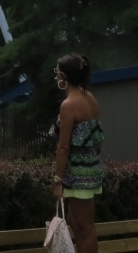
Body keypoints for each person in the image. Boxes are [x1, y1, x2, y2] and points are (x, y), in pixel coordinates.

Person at [51, 53, 103, 253]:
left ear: (63, 76)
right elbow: (96, 138)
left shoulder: (68, 105)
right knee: (75, 222)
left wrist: (58, 180)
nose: (55, 76)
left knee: (85, 228)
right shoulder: (89, 98)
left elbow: (63, 147)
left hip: (77, 173)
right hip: (90, 167)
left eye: (56, 72)